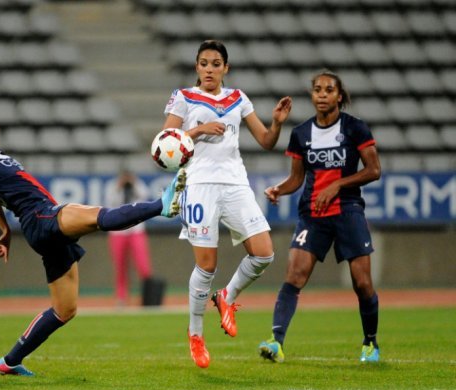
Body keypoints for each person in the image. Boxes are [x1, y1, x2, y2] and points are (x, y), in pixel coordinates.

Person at [0, 104, 186, 376]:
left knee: (65, 309)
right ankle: (161, 205)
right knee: (99, 216)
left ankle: (10, 361)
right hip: (41, 217)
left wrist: (4, 230)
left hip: (40, 227)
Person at [162, 39, 292, 368]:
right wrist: (199, 129)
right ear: (196, 67)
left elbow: (265, 141)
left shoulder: (238, 98)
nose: (209, 69)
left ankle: (227, 297)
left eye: (215, 64)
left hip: (236, 183)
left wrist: (276, 123)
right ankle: (195, 335)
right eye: (204, 63)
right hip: (200, 184)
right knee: (206, 265)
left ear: (225, 68)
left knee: (264, 252)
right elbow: (165, 142)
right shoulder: (184, 97)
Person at [258, 70, 382, 363]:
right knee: (295, 275)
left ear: (339, 96)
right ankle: (276, 342)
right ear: (312, 95)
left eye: (329, 90)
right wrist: (279, 189)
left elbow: (374, 170)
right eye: (317, 90)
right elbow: (296, 179)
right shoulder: (301, 133)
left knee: (362, 283)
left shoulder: (355, 129)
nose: (322, 94)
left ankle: (370, 343)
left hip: (348, 211)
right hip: (312, 214)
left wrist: (338, 184)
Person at [104, 170, 154, 306]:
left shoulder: (138, 184)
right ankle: (122, 297)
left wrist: (133, 183)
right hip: (118, 232)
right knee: (120, 267)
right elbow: (111, 202)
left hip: (136, 230)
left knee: (144, 266)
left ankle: (148, 296)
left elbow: (144, 197)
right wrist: (119, 186)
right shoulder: (112, 186)